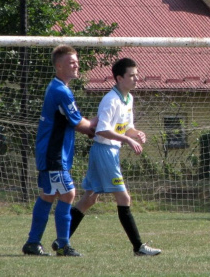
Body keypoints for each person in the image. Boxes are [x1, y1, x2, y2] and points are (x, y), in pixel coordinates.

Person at [54, 58, 161, 256]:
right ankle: (138, 247)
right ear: (119, 78)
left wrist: (136, 133)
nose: (136, 78)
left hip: (109, 152)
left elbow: (125, 128)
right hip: (104, 152)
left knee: (89, 199)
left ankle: (61, 241)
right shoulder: (110, 100)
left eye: (137, 75)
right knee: (123, 197)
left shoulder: (128, 98)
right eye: (132, 75)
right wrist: (128, 141)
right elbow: (102, 130)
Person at [22, 44, 96, 257]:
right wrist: (105, 126)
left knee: (48, 196)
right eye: (72, 62)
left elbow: (78, 120)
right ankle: (62, 245)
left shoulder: (58, 88)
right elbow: (80, 125)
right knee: (68, 193)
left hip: (50, 153)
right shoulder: (60, 91)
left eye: (77, 62)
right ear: (59, 66)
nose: (77, 65)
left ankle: (33, 242)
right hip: (54, 155)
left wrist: (97, 124)